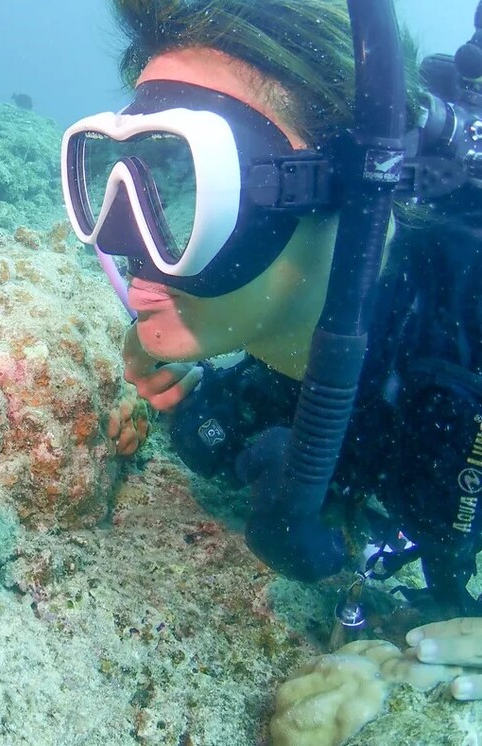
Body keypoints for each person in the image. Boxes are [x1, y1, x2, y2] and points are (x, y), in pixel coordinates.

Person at [63, 0, 482, 700]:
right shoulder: (269, 356)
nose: (121, 238)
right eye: (124, 172)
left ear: (351, 188)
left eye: (190, 180)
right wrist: (188, 394)